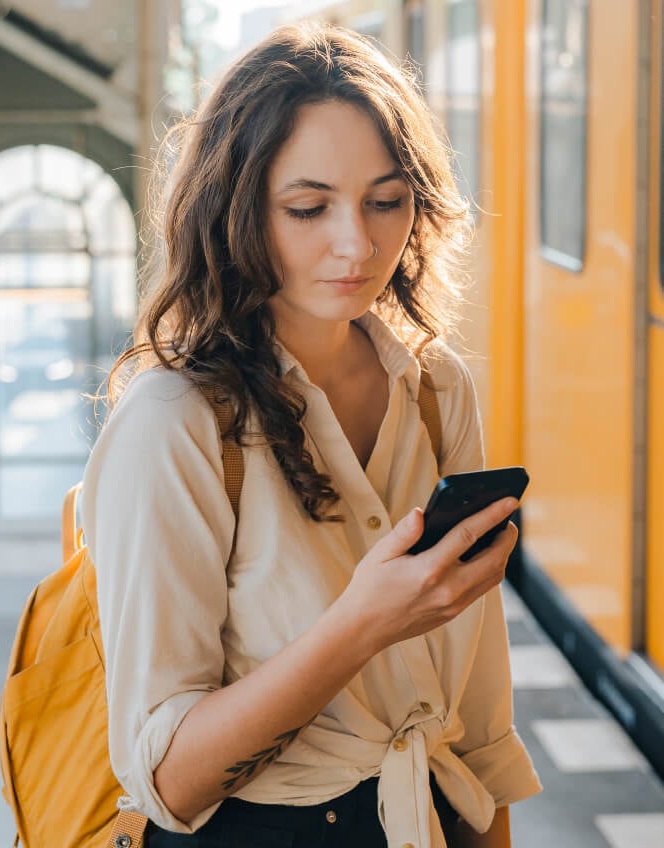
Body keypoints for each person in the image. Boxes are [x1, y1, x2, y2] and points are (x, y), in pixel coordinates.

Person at [81, 22, 541, 848]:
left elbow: (477, 717)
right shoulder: (177, 421)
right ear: (234, 211)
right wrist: (360, 623)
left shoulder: (437, 392)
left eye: (387, 200)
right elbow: (169, 782)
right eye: (307, 206)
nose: (356, 244)